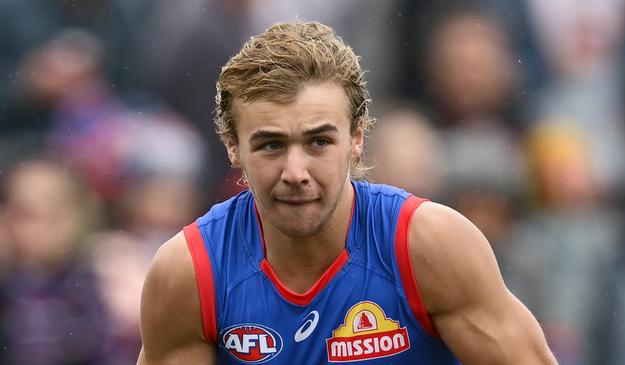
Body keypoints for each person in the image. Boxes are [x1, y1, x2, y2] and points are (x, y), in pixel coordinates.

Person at [137, 21, 557, 364]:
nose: (295, 172)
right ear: (232, 145)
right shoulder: (189, 273)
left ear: (357, 138)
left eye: (319, 142)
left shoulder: (428, 245)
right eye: (271, 145)